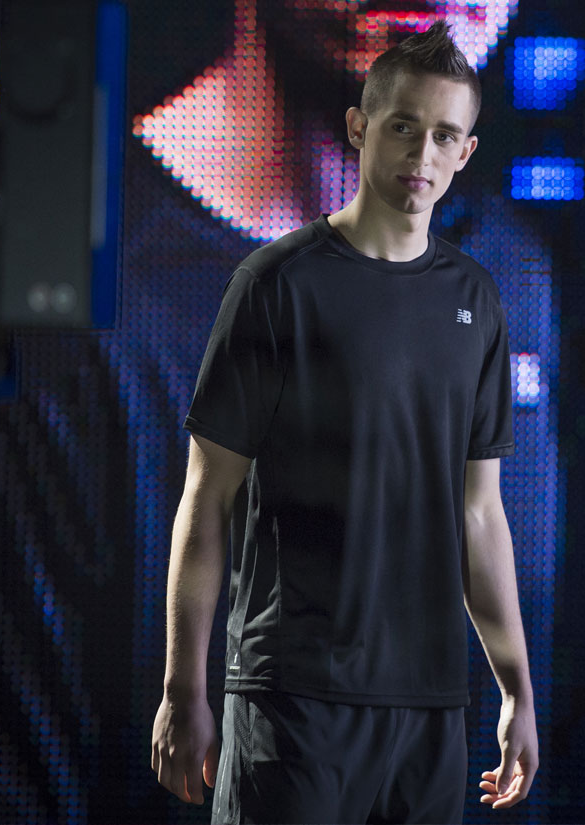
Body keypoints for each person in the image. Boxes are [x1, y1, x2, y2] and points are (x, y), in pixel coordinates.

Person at [149, 21, 539, 824]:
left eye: (444, 136)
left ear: (465, 151)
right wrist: (182, 690)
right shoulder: (275, 284)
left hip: (427, 707)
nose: (421, 153)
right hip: (291, 699)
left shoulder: (478, 296)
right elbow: (206, 498)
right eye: (403, 127)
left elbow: (479, 514)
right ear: (362, 127)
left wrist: (515, 692)